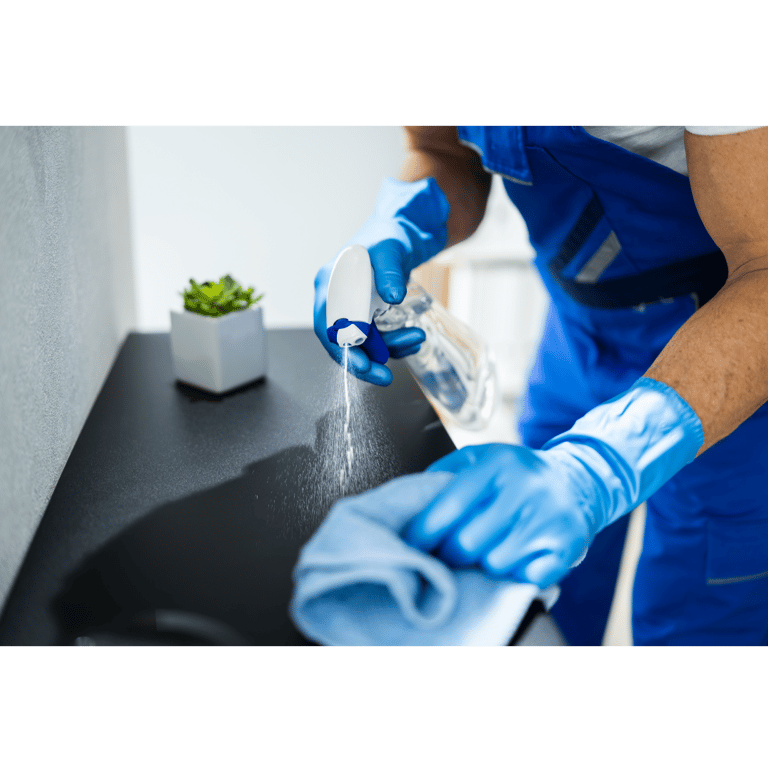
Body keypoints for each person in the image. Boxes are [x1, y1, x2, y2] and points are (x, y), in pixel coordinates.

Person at [313, 125, 768, 646]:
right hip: (577, 335)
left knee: (703, 620)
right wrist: (401, 223)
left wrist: (599, 467)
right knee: (531, 590)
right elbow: (441, 150)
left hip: (731, 352)